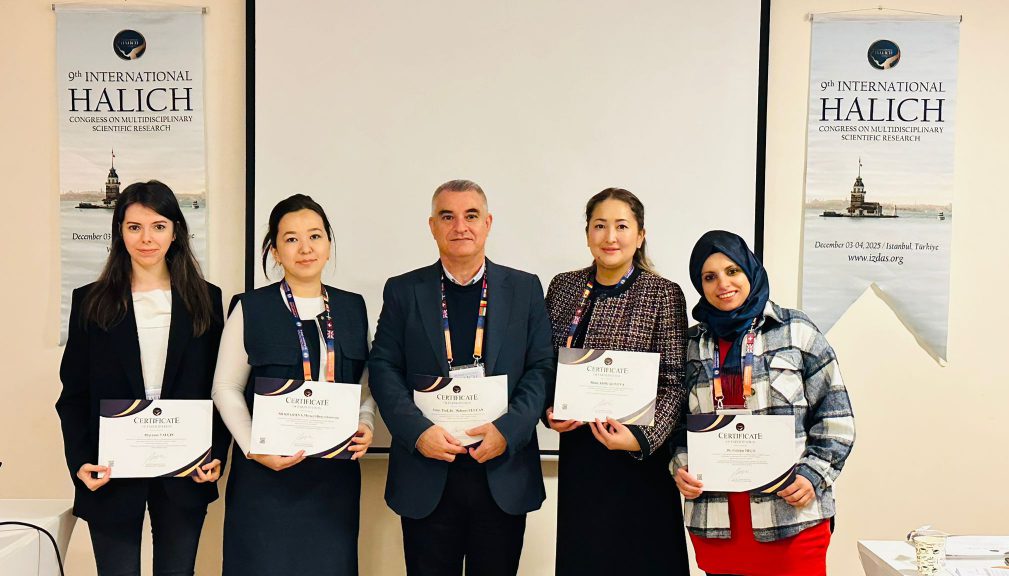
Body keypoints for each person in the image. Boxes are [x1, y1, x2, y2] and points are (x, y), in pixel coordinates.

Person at [369, 179, 555, 576]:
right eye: (447, 217)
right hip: (427, 472)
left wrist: (508, 430)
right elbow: (383, 368)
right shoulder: (403, 290)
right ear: (432, 226)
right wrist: (418, 432)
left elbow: (541, 368)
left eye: (471, 216)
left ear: (488, 223)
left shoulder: (525, 288)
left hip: (501, 472)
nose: (460, 227)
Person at [57, 180, 226, 576]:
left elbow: (219, 389)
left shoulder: (207, 299)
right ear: (120, 232)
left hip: (186, 470)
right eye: (134, 227)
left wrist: (216, 453)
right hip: (111, 472)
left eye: (158, 226)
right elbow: (74, 395)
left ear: (176, 231)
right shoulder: (90, 301)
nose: (146, 238)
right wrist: (80, 461)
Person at [670, 230, 855, 576]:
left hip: (792, 518)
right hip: (717, 523)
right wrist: (681, 466)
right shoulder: (692, 344)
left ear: (750, 271)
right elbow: (676, 424)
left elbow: (836, 417)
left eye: (732, 271)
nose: (722, 284)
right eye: (709, 277)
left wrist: (813, 475)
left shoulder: (795, 329)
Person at [212, 194, 376, 576]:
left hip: (333, 482)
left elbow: (366, 384)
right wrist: (253, 446)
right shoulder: (250, 308)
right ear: (275, 251)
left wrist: (366, 422)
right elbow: (225, 387)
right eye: (291, 239)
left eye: (315, 236)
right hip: (266, 479)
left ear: (328, 244)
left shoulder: (353, 308)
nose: (305, 248)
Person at [544, 188, 689, 575]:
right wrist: (548, 412)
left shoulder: (663, 293)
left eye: (622, 226)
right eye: (600, 225)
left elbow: (675, 382)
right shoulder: (563, 287)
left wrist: (640, 439)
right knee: (585, 559)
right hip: (581, 455)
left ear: (640, 235)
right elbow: (544, 364)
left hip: (638, 460)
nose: (610, 237)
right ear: (587, 233)